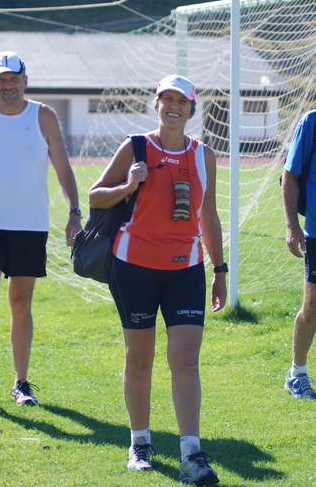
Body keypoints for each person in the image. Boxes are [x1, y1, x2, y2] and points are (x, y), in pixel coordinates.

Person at [88, 75, 227, 484]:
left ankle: (191, 453)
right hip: (134, 267)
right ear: (155, 105)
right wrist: (130, 184)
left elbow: (209, 215)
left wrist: (218, 271)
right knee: (140, 359)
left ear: (190, 109)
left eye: (180, 101)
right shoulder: (136, 147)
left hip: (186, 268)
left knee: (185, 359)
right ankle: (140, 442)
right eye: (165, 99)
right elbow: (96, 195)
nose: (173, 106)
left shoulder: (204, 155)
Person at [0, 50, 82, 413]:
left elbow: (63, 170)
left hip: (29, 225)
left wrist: (74, 212)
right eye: (1, 79)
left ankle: (21, 382)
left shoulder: (43, 116)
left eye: (14, 78)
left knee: (20, 302)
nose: (8, 85)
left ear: (25, 80)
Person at [281, 109, 316, 400]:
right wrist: (292, 226)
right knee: (313, 306)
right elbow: (290, 175)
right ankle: (297, 373)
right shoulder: (312, 122)